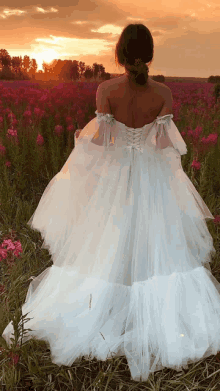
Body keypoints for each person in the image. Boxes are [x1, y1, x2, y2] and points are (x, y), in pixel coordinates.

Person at [2, 23, 220, 383]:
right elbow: (166, 146)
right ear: (149, 55)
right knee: (157, 238)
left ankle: (101, 306)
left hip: (117, 175)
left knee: (108, 236)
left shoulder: (106, 89)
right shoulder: (164, 92)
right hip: (152, 177)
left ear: (120, 54)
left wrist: (79, 139)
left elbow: (102, 141)